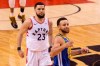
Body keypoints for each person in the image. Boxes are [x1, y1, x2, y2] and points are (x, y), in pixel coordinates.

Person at [17, 2, 53, 66]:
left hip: (44, 51)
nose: (41, 11)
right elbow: (20, 34)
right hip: (32, 52)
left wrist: (51, 46)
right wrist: (19, 49)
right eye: (39, 9)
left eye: (42, 9)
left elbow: (50, 34)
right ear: (35, 10)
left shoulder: (49, 22)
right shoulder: (29, 22)